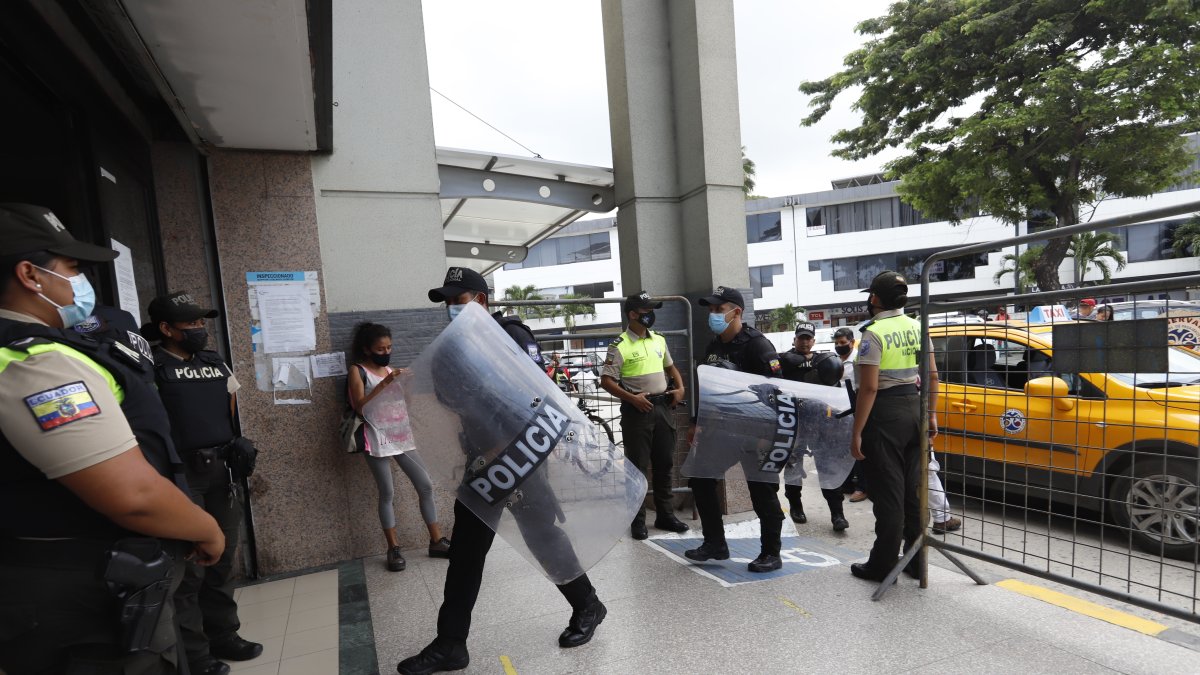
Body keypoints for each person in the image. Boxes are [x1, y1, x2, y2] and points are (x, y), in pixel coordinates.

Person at [0, 203, 225, 674]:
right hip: (81, 592)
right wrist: (206, 528)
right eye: (72, 268)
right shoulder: (36, 363)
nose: (81, 283)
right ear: (30, 275)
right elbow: (133, 494)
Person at [397, 267, 606, 675]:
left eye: (458, 301)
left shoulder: (511, 335)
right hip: (480, 462)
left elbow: (536, 394)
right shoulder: (449, 349)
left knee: (543, 536)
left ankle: (588, 605)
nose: (451, 310)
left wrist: (502, 439)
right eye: (447, 304)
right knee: (466, 553)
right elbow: (450, 401)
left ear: (480, 299)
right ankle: (451, 644)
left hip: (519, 458)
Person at [142, 291, 263, 674]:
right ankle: (196, 654)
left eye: (200, 323)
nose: (198, 330)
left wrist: (233, 442)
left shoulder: (215, 363)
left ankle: (225, 634)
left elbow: (229, 407)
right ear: (166, 329)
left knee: (223, 559)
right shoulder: (154, 367)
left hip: (220, 470)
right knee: (192, 568)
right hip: (181, 475)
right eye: (190, 324)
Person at [685, 286, 787, 573]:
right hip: (721, 431)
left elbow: (779, 394)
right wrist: (695, 423)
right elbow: (706, 388)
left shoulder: (758, 346)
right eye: (711, 310)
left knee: (762, 492)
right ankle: (715, 543)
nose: (713, 315)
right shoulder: (715, 345)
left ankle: (771, 552)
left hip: (755, 434)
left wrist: (769, 437)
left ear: (736, 311)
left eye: (719, 309)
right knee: (701, 479)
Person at [848, 270, 940, 583]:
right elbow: (932, 376)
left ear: (874, 298)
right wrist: (931, 416)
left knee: (889, 495)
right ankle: (916, 560)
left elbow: (869, 388)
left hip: (885, 413)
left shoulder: (872, 333)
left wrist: (857, 431)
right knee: (913, 492)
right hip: (915, 408)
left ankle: (883, 564)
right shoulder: (918, 326)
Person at [346, 321, 450, 572]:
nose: (386, 353)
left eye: (389, 348)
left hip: (401, 435)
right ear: (367, 350)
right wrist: (385, 383)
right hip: (377, 436)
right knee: (387, 493)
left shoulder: (389, 369)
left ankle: (436, 540)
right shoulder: (357, 370)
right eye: (380, 349)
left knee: (425, 485)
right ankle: (393, 548)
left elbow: (405, 405)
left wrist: (406, 385)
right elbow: (360, 406)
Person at [600, 291, 689, 540]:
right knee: (636, 469)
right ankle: (637, 522)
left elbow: (671, 367)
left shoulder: (658, 340)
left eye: (652, 310)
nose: (651, 315)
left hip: (662, 409)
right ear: (632, 314)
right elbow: (606, 381)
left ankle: (666, 515)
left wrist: (679, 388)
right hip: (637, 411)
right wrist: (632, 399)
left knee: (664, 465)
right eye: (646, 310)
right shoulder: (619, 346)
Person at [779, 322, 849, 532]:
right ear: (794, 339)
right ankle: (795, 506)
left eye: (808, 338)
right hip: (795, 422)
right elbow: (780, 367)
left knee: (827, 466)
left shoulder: (823, 360)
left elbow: (835, 382)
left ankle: (837, 514)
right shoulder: (785, 361)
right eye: (801, 338)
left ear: (814, 341)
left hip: (821, 423)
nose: (804, 342)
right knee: (793, 467)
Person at [832, 326, 868, 503]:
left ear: (852, 342)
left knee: (858, 447)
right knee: (843, 448)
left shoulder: (858, 361)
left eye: (843, 343)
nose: (839, 346)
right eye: (837, 343)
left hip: (857, 408)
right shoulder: (835, 361)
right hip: (840, 408)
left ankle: (862, 487)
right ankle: (846, 483)